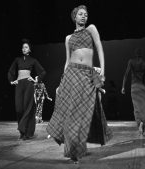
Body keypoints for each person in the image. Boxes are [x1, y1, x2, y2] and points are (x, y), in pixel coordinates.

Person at [46, 5, 112, 164]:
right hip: (72, 74)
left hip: (87, 75)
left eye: (86, 14)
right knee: (71, 113)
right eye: (80, 14)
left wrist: (102, 70)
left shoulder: (91, 29)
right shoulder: (68, 38)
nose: (84, 16)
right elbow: (67, 61)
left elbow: (100, 49)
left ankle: (77, 146)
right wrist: (61, 81)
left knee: (84, 114)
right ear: (74, 17)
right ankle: (73, 150)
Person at [8, 38, 46, 140]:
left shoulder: (33, 60)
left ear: (29, 50)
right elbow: (11, 71)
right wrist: (12, 80)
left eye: (26, 47)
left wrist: (35, 80)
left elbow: (42, 72)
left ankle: (24, 132)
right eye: (23, 47)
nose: (24, 49)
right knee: (19, 108)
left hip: (29, 85)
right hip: (19, 85)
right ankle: (22, 129)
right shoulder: (17, 60)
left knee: (27, 108)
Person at [121, 48, 145, 136]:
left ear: (135, 54)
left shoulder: (131, 61)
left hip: (134, 87)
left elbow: (126, 74)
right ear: (141, 54)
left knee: (136, 108)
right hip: (142, 87)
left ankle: (139, 124)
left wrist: (123, 86)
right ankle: (142, 123)